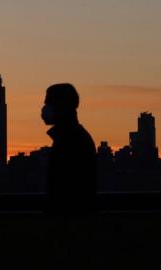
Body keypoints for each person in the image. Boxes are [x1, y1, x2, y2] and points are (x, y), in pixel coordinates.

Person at [41, 83, 97, 214]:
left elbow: (63, 188)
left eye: (48, 103)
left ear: (61, 106)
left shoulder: (70, 141)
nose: (45, 108)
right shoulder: (72, 137)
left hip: (71, 221)